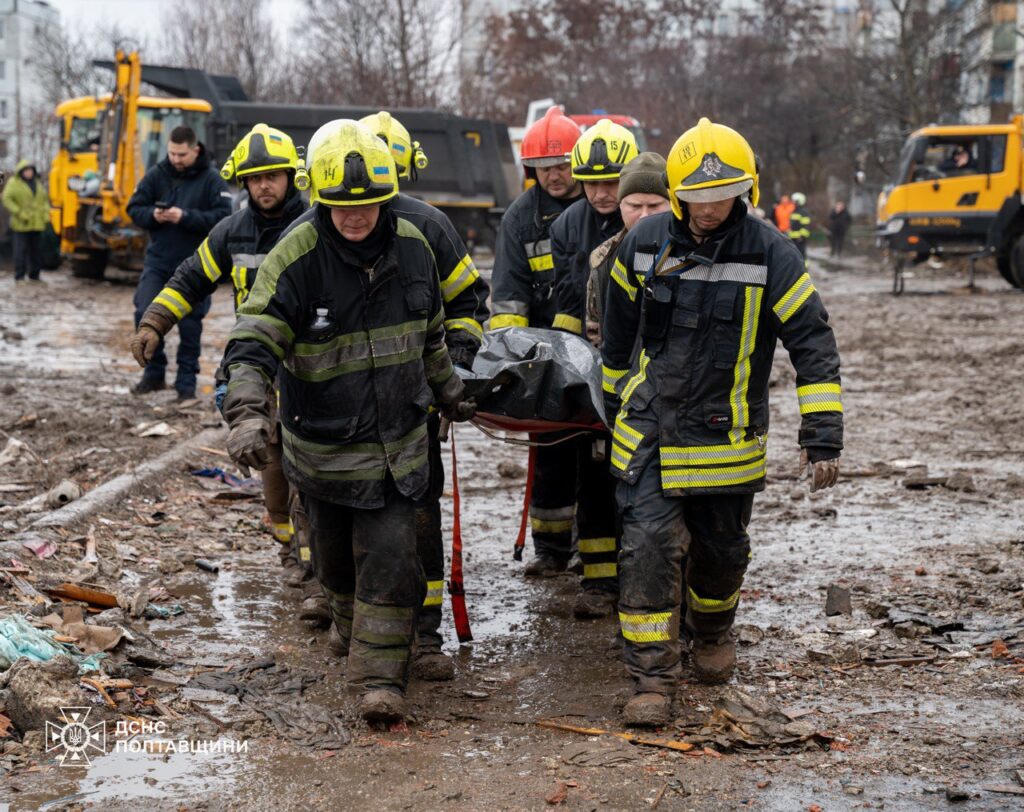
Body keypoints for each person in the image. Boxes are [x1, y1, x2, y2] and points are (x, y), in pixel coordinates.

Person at [220, 121, 475, 723]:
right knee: (334, 565)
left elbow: (431, 335)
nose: (354, 217)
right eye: (340, 206)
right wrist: (248, 413)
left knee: (390, 553)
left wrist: (452, 392)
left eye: (366, 206)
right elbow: (252, 342)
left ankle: (381, 679)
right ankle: (346, 622)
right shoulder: (296, 256)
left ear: (386, 198)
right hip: (323, 451)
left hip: (399, 446)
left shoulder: (416, 244)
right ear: (320, 198)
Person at [601, 118, 843, 726]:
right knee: (648, 546)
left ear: (746, 193)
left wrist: (821, 439)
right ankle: (652, 676)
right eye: (697, 199)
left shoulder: (771, 253)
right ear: (678, 194)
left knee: (721, 554)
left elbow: (812, 342)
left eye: (721, 198)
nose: (708, 210)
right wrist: (619, 404)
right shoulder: (645, 243)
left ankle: (710, 632)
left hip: (725, 440)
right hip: (652, 432)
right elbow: (616, 339)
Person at [288, 112, 491, 680]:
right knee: (334, 526)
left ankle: (420, 639)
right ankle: (351, 618)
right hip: (333, 424)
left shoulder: (427, 229)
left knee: (412, 525)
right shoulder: (306, 240)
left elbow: (466, 307)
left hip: (411, 412)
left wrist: (452, 377)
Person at [130, 123, 307, 555]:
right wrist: (155, 321)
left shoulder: (314, 225)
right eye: (256, 178)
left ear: (291, 177)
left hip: (312, 360)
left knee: (308, 453)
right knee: (268, 446)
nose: (264, 185)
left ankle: (315, 565)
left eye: (273, 176)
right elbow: (191, 278)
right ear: (244, 181)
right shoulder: (232, 230)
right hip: (257, 361)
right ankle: (289, 544)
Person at [546, 121, 639, 618]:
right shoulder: (566, 227)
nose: (603, 193)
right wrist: (570, 369)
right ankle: (600, 582)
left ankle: (640, 572)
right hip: (592, 369)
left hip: (641, 370)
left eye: (613, 181)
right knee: (595, 473)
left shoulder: (652, 220)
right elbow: (564, 303)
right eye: (593, 182)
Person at [489, 106, 585, 578]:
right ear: (532, 170)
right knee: (550, 452)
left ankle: (598, 551)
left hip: (596, 351)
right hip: (546, 356)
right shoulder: (520, 220)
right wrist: (517, 363)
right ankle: (550, 551)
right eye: (546, 167)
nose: (555, 175)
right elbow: (508, 295)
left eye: (564, 165)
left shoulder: (598, 205)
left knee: (600, 456)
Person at [127, 125, 232, 399]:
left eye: (181, 154)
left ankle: (185, 385)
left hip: (196, 265)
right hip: (159, 261)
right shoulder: (157, 175)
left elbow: (225, 218)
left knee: (189, 324)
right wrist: (153, 215)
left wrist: (185, 217)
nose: (175, 159)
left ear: (195, 150)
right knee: (144, 313)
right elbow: (134, 208)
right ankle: (153, 374)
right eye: (172, 153)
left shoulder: (212, 180)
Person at [2, 160, 50, 283]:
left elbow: (44, 201)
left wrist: (45, 214)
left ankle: (35, 275)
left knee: (36, 251)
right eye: (26, 171)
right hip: (21, 224)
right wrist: (18, 212)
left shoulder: (37, 183)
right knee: (20, 251)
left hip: (37, 223)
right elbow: (6, 198)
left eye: (30, 171)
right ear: (21, 171)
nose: (29, 173)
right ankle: (19, 276)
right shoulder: (14, 183)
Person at [788, 191, 811, 262]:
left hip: (800, 239)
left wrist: (802, 237)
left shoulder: (804, 212)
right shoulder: (795, 211)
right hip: (793, 237)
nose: (793, 202)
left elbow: (806, 226)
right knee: (795, 255)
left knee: (801, 255)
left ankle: (804, 269)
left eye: (795, 201)